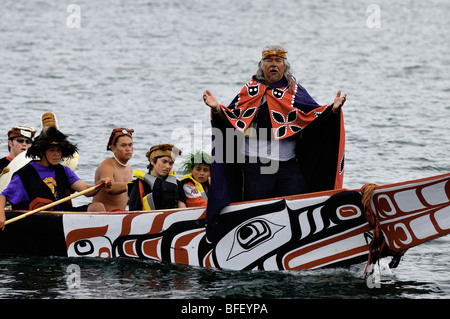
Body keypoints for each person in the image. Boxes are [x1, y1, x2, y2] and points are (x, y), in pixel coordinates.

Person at [202, 44, 347, 234]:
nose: (273, 64)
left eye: (278, 61)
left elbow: (312, 119)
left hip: (289, 164)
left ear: (284, 66)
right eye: (269, 61)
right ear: (261, 66)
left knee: (296, 208)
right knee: (257, 212)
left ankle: (297, 245)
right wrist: (217, 109)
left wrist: (332, 110)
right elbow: (232, 120)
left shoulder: (295, 92)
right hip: (257, 163)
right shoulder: (249, 91)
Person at [0, 126, 112, 229]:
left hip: (63, 218)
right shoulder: (24, 174)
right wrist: (1, 216)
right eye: (52, 150)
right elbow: (3, 196)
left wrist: (100, 185)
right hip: (37, 223)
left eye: (59, 150)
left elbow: (87, 190)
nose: (57, 155)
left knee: (97, 207)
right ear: (41, 152)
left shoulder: (64, 170)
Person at [127, 144, 186, 211]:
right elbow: (134, 214)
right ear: (152, 161)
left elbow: (182, 210)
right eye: (164, 161)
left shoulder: (177, 184)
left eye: (171, 163)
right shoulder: (139, 185)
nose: (168, 166)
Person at [91, 128, 134, 211]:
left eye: (130, 145)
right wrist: (134, 185)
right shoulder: (107, 165)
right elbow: (110, 188)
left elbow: (123, 198)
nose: (128, 149)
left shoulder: (129, 168)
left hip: (121, 215)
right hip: (104, 216)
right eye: (123, 145)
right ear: (113, 149)